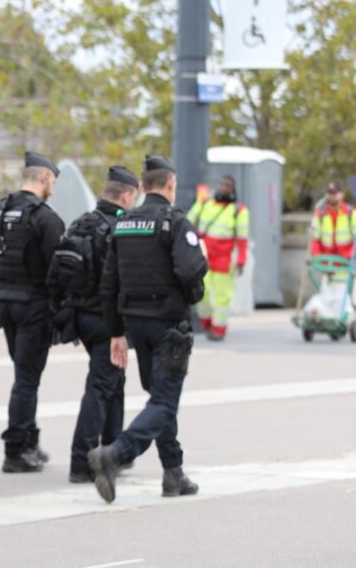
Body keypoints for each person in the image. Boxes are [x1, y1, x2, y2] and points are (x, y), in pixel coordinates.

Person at [89, 154, 208, 504]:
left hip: (135, 324)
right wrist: (196, 281)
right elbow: (190, 272)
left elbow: (108, 284)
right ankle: (115, 454)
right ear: (170, 185)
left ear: (142, 187)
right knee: (164, 400)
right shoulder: (175, 222)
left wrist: (116, 333)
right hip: (169, 324)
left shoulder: (123, 223)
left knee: (159, 398)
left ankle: (174, 473)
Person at [48, 166, 139, 483]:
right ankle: (82, 461)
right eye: (134, 198)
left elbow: (56, 272)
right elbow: (124, 281)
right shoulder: (120, 227)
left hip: (80, 317)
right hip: (107, 321)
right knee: (101, 387)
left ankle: (113, 451)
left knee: (114, 382)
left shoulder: (81, 223)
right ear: (126, 195)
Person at [0, 151, 65, 473]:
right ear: (44, 178)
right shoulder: (45, 218)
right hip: (33, 305)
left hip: (4, 301)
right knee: (27, 380)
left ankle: (29, 440)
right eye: (53, 183)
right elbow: (58, 269)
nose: (53, 189)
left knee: (24, 374)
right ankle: (16, 450)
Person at [188, 175, 249, 341]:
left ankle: (219, 329)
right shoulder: (205, 203)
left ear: (233, 189)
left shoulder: (239, 210)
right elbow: (188, 222)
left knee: (222, 296)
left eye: (228, 185)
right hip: (204, 255)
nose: (224, 188)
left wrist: (242, 260)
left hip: (224, 259)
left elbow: (242, 239)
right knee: (203, 293)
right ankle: (207, 323)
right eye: (222, 184)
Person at [310, 181, 356, 260]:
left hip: (346, 263)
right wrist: (317, 257)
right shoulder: (320, 213)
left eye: (335, 193)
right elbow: (315, 240)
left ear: (342, 195)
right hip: (325, 263)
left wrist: (350, 255)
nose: (332, 196)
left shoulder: (351, 213)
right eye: (329, 193)